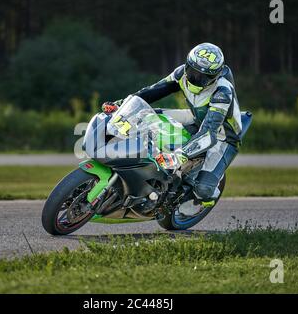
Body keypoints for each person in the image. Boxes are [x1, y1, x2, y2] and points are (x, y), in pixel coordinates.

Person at [102, 43, 242, 214]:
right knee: (144, 115)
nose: (195, 78)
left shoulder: (222, 93)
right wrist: (120, 104)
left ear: (215, 76)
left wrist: (181, 155)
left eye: (202, 77)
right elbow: (152, 92)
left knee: (203, 190)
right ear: (187, 65)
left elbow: (208, 134)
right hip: (195, 116)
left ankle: (208, 193)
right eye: (193, 71)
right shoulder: (181, 73)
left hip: (222, 136)